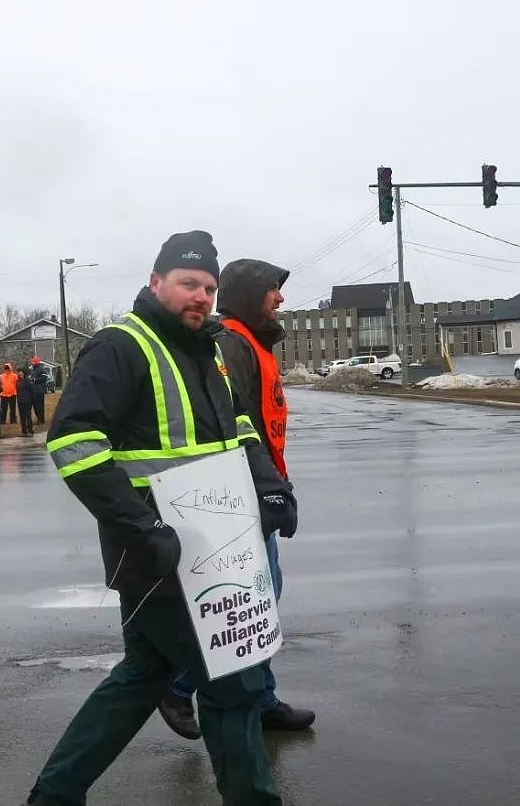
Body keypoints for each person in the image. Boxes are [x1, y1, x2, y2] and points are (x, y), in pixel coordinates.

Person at [29, 231, 297, 806]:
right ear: (156, 283)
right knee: (235, 682)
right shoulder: (122, 345)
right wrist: (141, 526)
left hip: (212, 547)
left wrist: (273, 490)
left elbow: (240, 430)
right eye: (187, 284)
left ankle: (54, 795)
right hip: (159, 553)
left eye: (208, 287)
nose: (199, 296)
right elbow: (73, 441)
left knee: (144, 676)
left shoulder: (208, 352)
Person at [157, 259, 315, 739]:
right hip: (241, 495)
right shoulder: (232, 343)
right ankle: (179, 685)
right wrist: (264, 489)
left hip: (259, 491)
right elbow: (233, 421)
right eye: (272, 290)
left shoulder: (251, 343)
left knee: (262, 598)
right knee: (248, 600)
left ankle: (261, 698)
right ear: (250, 295)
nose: (280, 299)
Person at [29, 356, 48, 425]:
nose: (32, 363)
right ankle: (39, 418)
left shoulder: (41, 369)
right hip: (34, 390)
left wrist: (35, 380)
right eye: (32, 362)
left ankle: (41, 419)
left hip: (39, 391)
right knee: (35, 406)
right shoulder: (33, 370)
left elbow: (45, 377)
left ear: (37, 362)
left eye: (33, 362)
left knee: (39, 406)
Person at [16, 368, 35, 437]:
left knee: (28, 416)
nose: (20, 374)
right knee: (22, 417)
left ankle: (30, 431)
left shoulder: (28, 381)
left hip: (27, 401)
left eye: (21, 372)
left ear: (24, 373)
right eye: (19, 373)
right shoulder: (17, 381)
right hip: (20, 401)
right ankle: (24, 431)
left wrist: (32, 400)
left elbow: (32, 391)